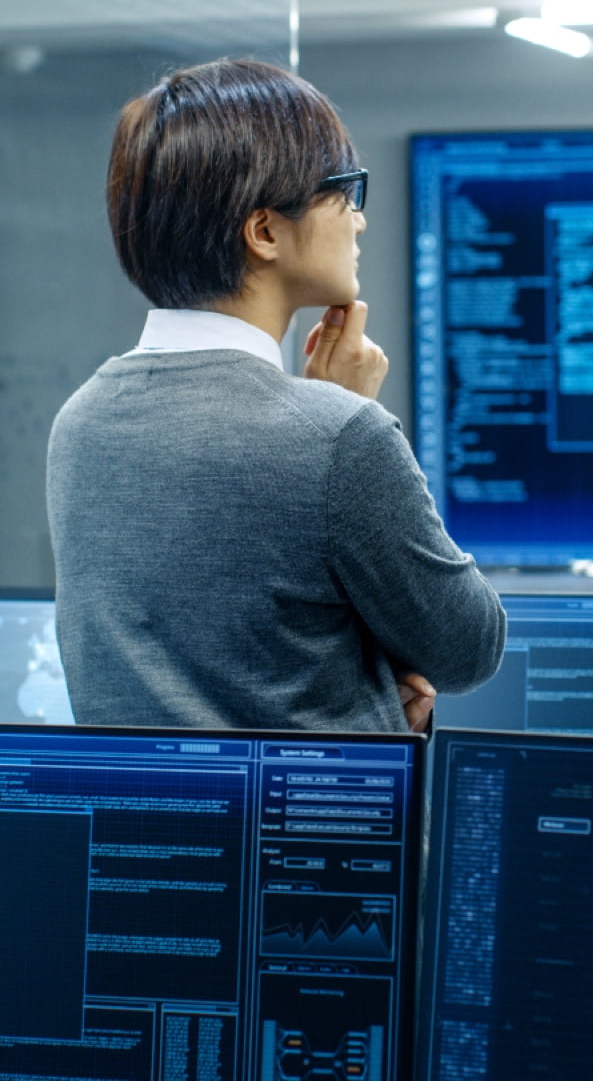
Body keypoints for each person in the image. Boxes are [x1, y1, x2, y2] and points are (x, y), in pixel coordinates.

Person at [46, 58, 505, 733]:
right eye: (343, 192)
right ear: (264, 232)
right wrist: (352, 418)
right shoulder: (339, 438)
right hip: (310, 834)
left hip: (142, 835)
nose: (359, 221)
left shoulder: (80, 423)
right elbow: (468, 650)